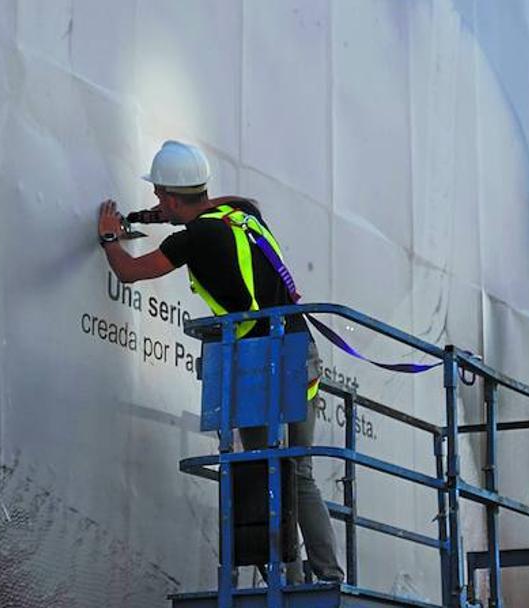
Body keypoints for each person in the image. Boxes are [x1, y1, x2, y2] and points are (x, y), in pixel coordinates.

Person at [96, 140, 344, 584]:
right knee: (297, 471)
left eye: (159, 197)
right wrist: (162, 215)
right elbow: (221, 205)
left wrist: (110, 236)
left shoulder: (194, 239)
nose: (155, 203)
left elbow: (130, 272)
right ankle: (328, 576)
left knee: (267, 470)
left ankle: (287, 581)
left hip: (258, 362)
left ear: (172, 197)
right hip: (298, 353)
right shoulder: (244, 216)